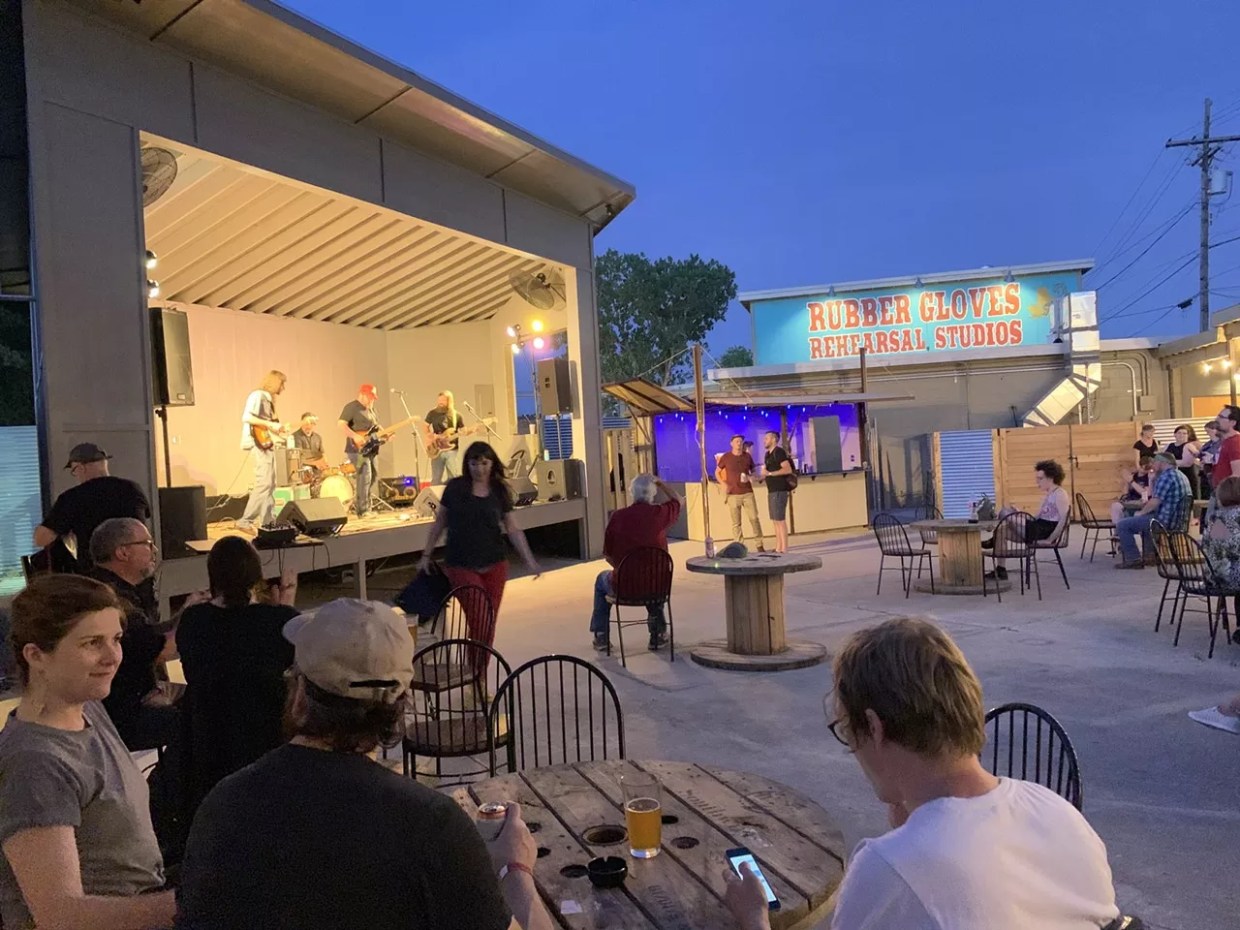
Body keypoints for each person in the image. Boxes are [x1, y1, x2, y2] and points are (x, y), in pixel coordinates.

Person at [175, 598, 556, 930]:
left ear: (300, 696)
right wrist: (514, 868)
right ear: (400, 704)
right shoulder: (430, 825)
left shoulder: (224, 805)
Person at [724, 617, 1120, 930]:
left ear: (874, 728)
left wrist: (755, 919)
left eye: (846, 731)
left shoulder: (891, 872)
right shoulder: (1059, 813)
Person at [0, 575, 174, 930]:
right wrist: (186, 904)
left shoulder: (88, 706)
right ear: (36, 656)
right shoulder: (36, 763)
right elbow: (60, 915)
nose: (113, 657)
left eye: (116, 640)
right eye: (92, 643)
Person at [175, 536, 298, 822]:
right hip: (264, 730)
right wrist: (285, 606)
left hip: (206, 731)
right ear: (257, 575)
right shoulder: (279, 620)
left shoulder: (194, 620)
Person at [417, 441, 541, 642]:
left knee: (488, 622)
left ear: (492, 464)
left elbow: (512, 528)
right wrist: (426, 554)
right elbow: (440, 522)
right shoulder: (455, 488)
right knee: (479, 618)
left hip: (495, 564)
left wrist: (529, 560)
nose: (479, 469)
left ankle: (479, 672)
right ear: (467, 464)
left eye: (484, 463)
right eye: (474, 464)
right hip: (461, 564)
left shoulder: (499, 490)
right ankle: (475, 671)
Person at [87, 517, 178, 751]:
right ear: (123, 553)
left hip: (129, 697)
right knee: (210, 717)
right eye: (147, 543)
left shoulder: (102, 586)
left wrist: (187, 613)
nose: (154, 550)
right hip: (128, 710)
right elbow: (160, 650)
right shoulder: (113, 600)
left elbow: (149, 636)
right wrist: (200, 617)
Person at [588, 474, 682, 652]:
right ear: (652, 494)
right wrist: (661, 482)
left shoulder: (618, 517)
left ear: (631, 493)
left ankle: (601, 636)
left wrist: (626, 567)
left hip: (625, 585)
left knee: (601, 580)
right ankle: (658, 634)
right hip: (657, 587)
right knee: (653, 578)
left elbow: (608, 556)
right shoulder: (660, 514)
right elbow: (678, 500)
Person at [33, 442, 150, 571]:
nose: (75, 475)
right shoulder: (133, 488)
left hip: (98, 576)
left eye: (73, 471)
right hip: (137, 569)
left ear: (80, 468)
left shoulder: (73, 497)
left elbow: (42, 538)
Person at [983, 459, 1070, 581]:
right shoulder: (1047, 495)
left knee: (1004, 513)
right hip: (1036, 527)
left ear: (1050, 478)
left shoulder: (1060, 494)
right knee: (1001, 531)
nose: (1037, 482)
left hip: (1044, 531)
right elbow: (1035, 518)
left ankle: (992, 540)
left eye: (1040, 478)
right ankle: (1001, 570)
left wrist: (1050, 539)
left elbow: (1065, 520)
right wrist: (1019, 514)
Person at [1114, 452, 1192, 569]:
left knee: (1123, 525)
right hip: (1177, 520)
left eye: (1155, 462)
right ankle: (1149, 556)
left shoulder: (1166, 477)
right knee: (1146, 520)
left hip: (1164, 522)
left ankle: (1133, 559)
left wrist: (1140, 513)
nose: (1152, 465)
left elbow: (1155, 501)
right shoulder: (1180, 475)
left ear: (1162, 463)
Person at [237, 370, 288, 532]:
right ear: (274, 382)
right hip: (258, 443)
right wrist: (271, 425)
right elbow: (247, 417)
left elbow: (267, 425)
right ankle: (245, 520)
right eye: (282, 383)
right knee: (264, 482)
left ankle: (268, 521)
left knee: (270, 484)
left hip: (265, 443)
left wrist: (278, 433)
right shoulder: (258, 396)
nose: (283, 388)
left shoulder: (269, 401)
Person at [715, 435, 764, 550]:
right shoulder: (726, 457)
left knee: (754, 519)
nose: (739, 443)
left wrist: (751, 477)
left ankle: (759, 544)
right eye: (737, 441)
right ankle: (739, 545)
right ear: (731, 443)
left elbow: (754, 472)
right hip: (733, 493)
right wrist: (723, 483)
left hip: (747, 493)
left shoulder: (747, 457)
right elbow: (717, 472)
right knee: (736, 523)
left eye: (741, 442)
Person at [340, 383, 381, 517]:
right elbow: (341, 424)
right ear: (362, 395)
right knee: (365, 476)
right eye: (370, 397)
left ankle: (366, 506)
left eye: (373, 398)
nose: (372, 400)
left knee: (373, 476)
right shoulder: (351, 407)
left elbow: (375, 428)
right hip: (356, 449)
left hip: (371, 448)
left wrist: (386, 434)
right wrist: (355, 436)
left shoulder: (371, 410)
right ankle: (363, 510)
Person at [757, 430, 794, 554]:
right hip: (771, 490)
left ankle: (784, 548)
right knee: (775, 519)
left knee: (780, 519)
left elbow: (787, 469)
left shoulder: (779, 452)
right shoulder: (767, 455)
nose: (764, 440)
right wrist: (756, 478)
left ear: (774, 439)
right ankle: (778, 546)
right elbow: (765, 473)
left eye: (767, 438)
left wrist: (771, 473)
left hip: (780, 489)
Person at [1201, 476, 1240, 588]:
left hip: (1212, 574)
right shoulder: (1234, 516)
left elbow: (1210, 545)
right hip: (1227, 577)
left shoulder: (1215, 517)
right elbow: (1233, 548)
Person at [425, 390, 467, 485]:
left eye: (443, 400)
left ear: (449, 401)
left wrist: (471, 430)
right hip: (437, 449)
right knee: (436, 478)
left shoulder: (457, 415)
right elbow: (425, 426)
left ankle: (452, 496)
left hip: (452, 449)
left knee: (453, 477)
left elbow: (464, 431)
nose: (440, 402)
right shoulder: (432, 413)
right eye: (439, 400)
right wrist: (430, 437)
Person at [292, 411, 329, 497]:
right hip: (303, 470)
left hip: (317, 469)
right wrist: (315, 463)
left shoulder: (318, 437)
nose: (309, 426)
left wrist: (325, 463)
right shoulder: (295, 437)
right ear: (301, 423)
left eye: (312, 423)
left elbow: (322, 453)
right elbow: (298, 459)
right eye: (306, 423)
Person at [1164, 424, 1201, 499]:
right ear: (1175, 434)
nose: (1182, 435)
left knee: (1190, 496)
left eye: (1184, 433)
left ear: (1188, 435)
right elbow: (1161, 457)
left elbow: (1187, 462)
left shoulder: (1189, 445)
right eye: (1179, 433)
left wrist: (1169, 462)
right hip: (1173, 475)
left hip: (1187, 474)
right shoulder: (1169, 445)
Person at [1109, 461, 1150, 527]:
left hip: (1141, 502)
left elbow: (1145, 493)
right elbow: (1125, 493)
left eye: (1146, 467)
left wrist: (1132, 482)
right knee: (1115, 506)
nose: (1142, 468)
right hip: (1130, 501)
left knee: (1137, 513)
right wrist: (1127, 481)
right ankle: (1117, 531)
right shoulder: (1133, 475)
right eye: (1141, 465)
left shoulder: (1149, 477)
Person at [1213, 405, 1240, 494]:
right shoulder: (1226, 441)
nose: (1217, 419)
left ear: (1232, 422)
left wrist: (1224, 494)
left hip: (1228, 496)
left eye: (1221, 417)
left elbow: (1237, 475)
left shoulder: (1235, 442)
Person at [1199, 420, 1221, 497]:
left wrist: (1211, 457)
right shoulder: (1208, 444)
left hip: (1216, 470)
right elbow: (1201, 452)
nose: (1208, 433)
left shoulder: (1223, 443)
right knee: (1205, 494)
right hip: (1205, 471)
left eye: (1209, 431)